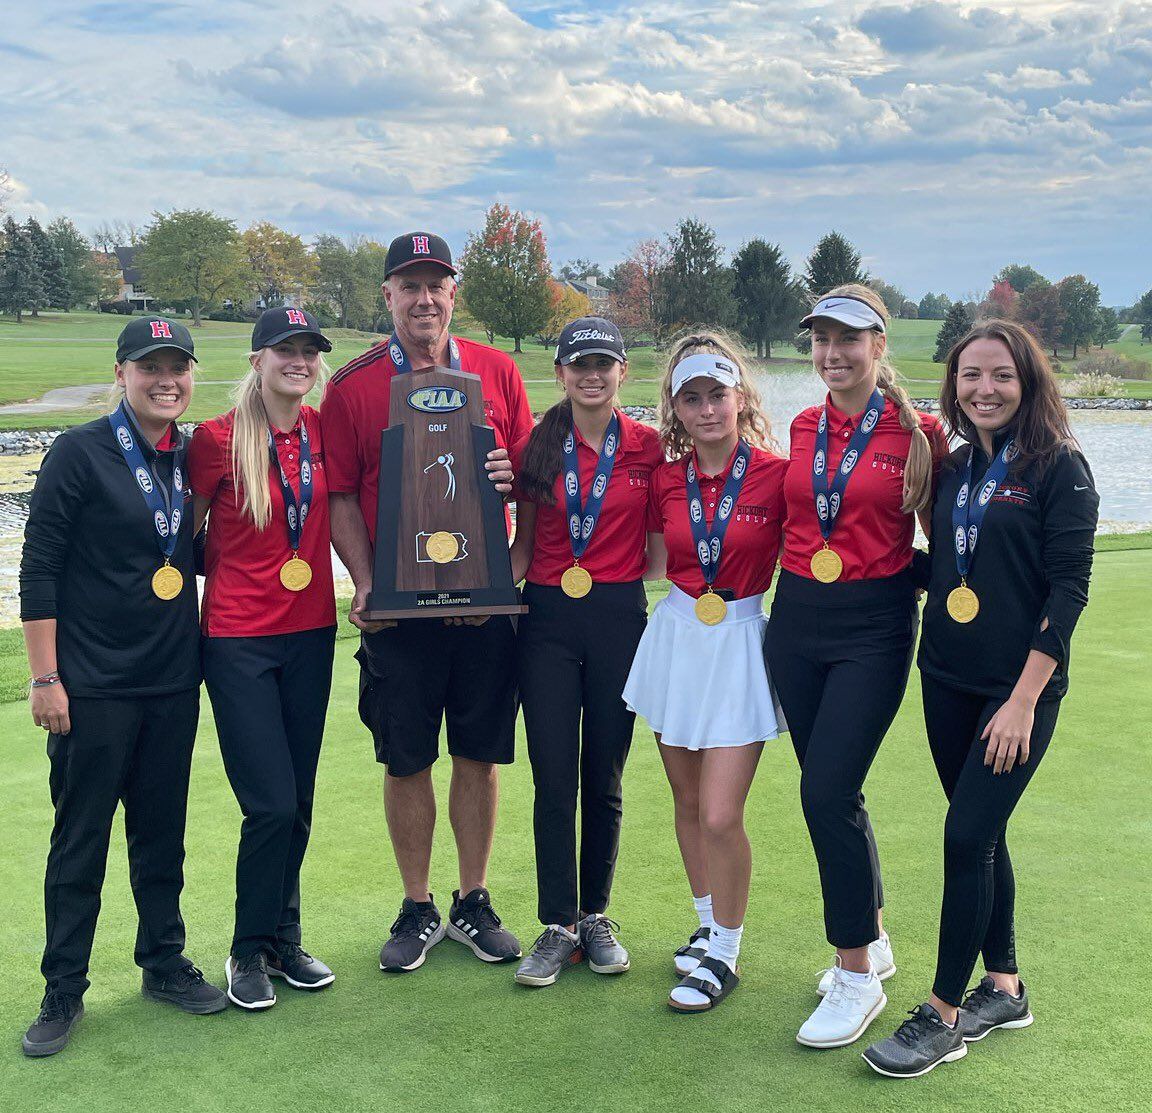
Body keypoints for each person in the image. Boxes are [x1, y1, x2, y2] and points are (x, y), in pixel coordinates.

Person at [863, 320, 1098, 1078]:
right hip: (947, 679)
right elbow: (953, 570)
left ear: (1027, 380)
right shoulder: (957, 467)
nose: (984, 389)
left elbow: (1068, 592)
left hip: (1016, 694)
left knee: (965, 837)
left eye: (1000, 375)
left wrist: (1025, 699)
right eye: (970, 376)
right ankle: (1004, 985)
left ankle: (942, 1012)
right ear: (954, 385)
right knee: (982, 833)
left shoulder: (1062, 468)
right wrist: (870, 561)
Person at [322, 231, 532, 973]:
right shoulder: (351, 384)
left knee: (479, 753)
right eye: (408, 285)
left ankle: (473, 898)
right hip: (399, 613)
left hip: (481, 608)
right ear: (387, 296)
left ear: (454, 291)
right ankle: (418, 905)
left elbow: (528, 485)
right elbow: (342, 495)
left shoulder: (500, 372)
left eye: (434, 284)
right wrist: (365, 580)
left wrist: (510, 561)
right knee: (406, 757)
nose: (423, 298)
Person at [19, 316, 227, 1057]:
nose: (166, 379)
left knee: (160, 836)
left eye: (178, 367)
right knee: (80, 841)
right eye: (150, 367)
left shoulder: (193, 458)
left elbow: (200, 549)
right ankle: (63, 988)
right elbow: (38, 568)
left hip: (172, 682)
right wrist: (45, 677)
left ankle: (163, 962)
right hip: (93, 687)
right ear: (121, 372)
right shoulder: (78, 453)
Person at [763, 284, 949, 1048]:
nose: (832, 354)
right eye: (821, 340)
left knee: (825, 790)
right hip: (797, 618)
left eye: (849, 340)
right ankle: (872, 934)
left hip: (874, 624)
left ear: (879, 345)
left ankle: (856, 976)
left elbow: (952, 540)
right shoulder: (804, 425)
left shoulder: (922, 432)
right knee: (839, 793)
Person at [622, 332, 787, 1012]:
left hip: (742, 639)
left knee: (721, 812)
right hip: (677, 635)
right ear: (676, 408)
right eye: (691, 397)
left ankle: (725, 954)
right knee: (687, 803)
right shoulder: (665, 478)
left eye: (717, 393)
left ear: (739, 397)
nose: (707, 408)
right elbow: (652, 560)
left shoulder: (779, 474)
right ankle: (707, 924)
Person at [189, 307, 338, 1010]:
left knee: (299, 800)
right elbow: (176, 535)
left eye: (309, 351)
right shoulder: (216, 440)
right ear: (257, 359)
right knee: (270, 802)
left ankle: (284, 938)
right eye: (286, 349)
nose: (299, 360)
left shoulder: (322, 431)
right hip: (238, 639)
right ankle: (246, 950)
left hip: (311, 632)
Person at [508, 317, 663, 987]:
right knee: (552, 774)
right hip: (545, 620)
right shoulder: (534, 446)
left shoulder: (651, 448)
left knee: (604, 774)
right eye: (579, 364)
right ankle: (557, 922)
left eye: (604, 362)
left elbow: (660, 549)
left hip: (619, 619)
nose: (591, 374)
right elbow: (518, 546)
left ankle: (595, 916)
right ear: (560, 373)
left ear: (623, 371)